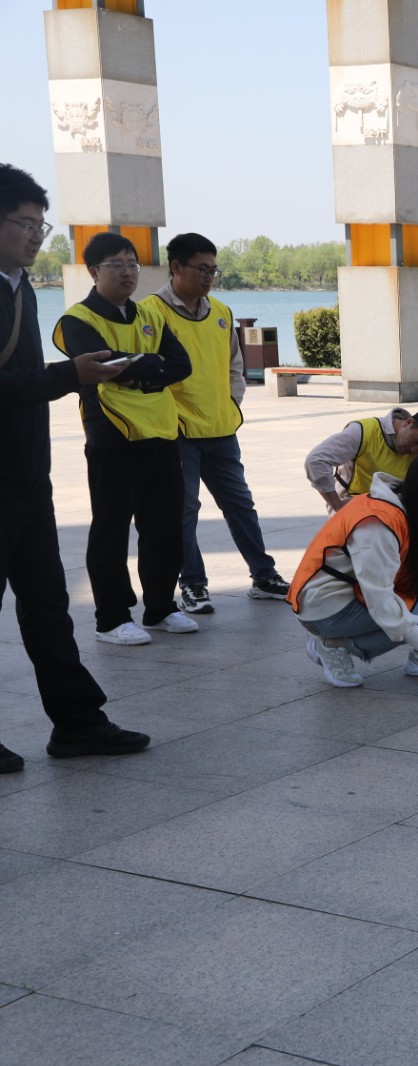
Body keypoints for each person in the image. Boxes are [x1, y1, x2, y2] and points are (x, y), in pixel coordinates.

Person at [0, 163, 149, 771]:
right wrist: (70, 375)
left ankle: (78, 723)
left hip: (27, 476)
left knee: (48, 606)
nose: (36, 236)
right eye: (25, 223)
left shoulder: (21, 287)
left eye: (42, 225)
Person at [54, 231, 196, 646]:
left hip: (161, 432)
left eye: (132, 264)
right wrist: (148, 366)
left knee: (165, 526)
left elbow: (181, 365)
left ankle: (161, 607)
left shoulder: (150, 315)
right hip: (111, 436)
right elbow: (101, 365)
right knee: (112, 530)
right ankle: (112, 618)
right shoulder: (78, 320)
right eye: (116, 265)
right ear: (93, 272)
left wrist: (136, 372)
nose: (128, 272)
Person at [143, 232, 290, 614]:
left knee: (241, 505)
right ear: (176, 267)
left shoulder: (222, 313)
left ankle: (264, 576)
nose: (209, 277)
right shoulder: (152, 313)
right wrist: (168, 420)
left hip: (222, 430)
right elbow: (146, 374)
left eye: (213, 270)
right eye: (202, 269)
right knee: (184, 511)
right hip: (178, 434)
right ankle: (192, 584)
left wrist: (231, 404)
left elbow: (234, 366)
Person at [288, 452, 418, 688]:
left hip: (354, 594)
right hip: (323, 607)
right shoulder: (379, 523)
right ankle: (331, 646)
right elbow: (378, 596)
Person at [304, 405, 418, 512]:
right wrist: (337, 505)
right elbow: (316, 460)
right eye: (416, 441)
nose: (414, 450)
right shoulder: (364, 431)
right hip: (355, 510)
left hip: (394, 511)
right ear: (408, 423)